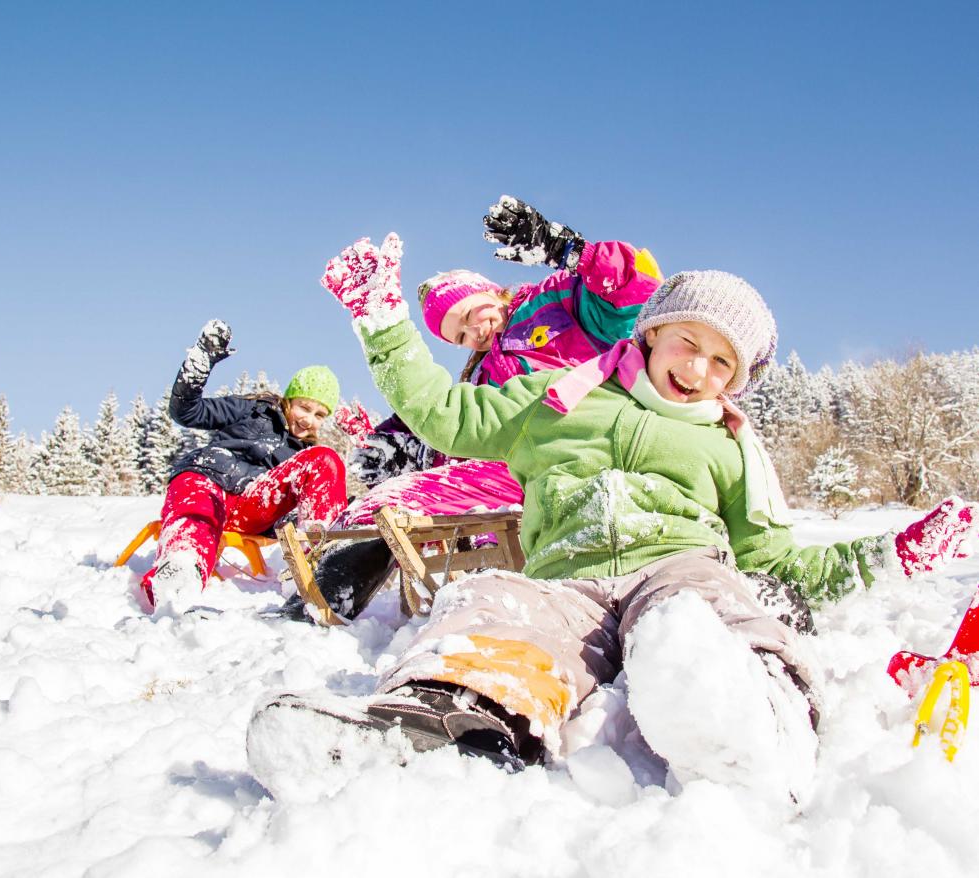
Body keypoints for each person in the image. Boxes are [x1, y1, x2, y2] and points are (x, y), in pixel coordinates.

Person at [248, 236, 978, 806]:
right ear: (654, 333)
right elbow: (443, 413)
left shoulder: (727, 443)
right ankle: (429, 723)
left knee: (704, 611)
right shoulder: (559, 397)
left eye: (724, 362)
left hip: (680, 565)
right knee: (493, 604)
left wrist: (896, 554)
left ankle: (754, 720)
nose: (699, 369)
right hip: (569, 575)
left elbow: (776, 560)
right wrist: (383, 320)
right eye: (689, 341)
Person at [279, 196, 664, 623]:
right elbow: (458, 426)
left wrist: (567, 250)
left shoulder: (554, 302)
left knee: (403, 501)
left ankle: (321, 604)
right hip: (512, 473)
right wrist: (393, 442)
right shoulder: (479, 377)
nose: (474, 333)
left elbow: (638, 295)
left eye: (469, 314)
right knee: (392, 503)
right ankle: (317, 601)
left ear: (487, 289)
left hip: (579, 457)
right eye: (459, 336)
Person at [141, 319, 348, 612]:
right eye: (304, 406)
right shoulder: (252, 409)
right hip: (207, 479)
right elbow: (186, 412)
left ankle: (314, 565)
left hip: (252, 503)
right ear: (288, 399)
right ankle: (181, 569)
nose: (308, 420)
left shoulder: (305, 455)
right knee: (197, 510)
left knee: (326, 459)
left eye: (319, 414)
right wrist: (201, 363)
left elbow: (293, 509)